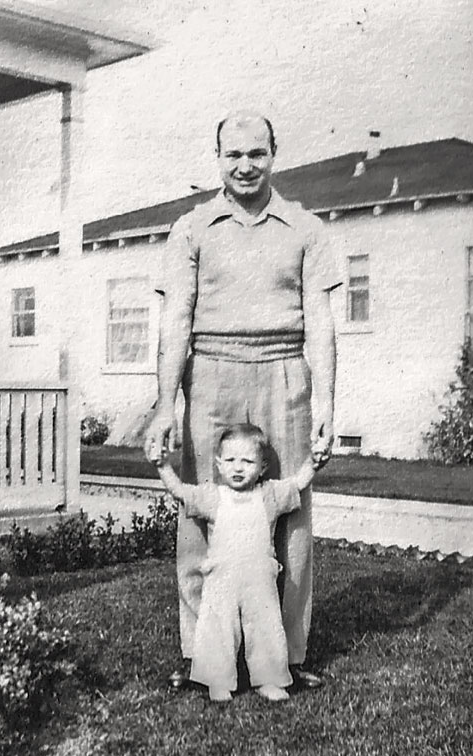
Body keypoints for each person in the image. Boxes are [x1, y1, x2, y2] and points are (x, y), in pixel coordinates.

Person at [144, 111, 342, 690]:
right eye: (234, 154)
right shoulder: (192, 228)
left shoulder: (306, 228)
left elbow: (323, 323)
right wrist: (164, 404)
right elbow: (175, 319)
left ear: (275, 153)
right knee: (202, 511)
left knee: (292, 515)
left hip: (285, 371)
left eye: (257, 153)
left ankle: (287, 656)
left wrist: (327, 399)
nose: (245, 165)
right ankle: (201, 654)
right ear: (218, 157)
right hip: (210, 374)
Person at [153, 423, 316, 703]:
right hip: (222, 579)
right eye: (230, 460)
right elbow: (180, 491)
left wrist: (316, 461)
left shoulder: (269, 495)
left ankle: (269, 679)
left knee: (266, 627)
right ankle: (217, 681)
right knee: (217, 627)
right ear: (218, 464)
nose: (238, 468)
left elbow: (299, 483)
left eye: (247, 461)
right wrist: (162, 465)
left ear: (263, 467)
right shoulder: (212, 496)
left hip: (259, 580)